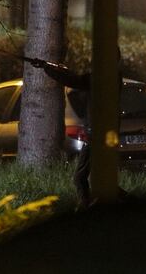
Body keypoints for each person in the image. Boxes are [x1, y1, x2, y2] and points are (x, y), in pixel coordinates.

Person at [28, 58, 93, 207]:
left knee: (79, 178)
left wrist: (47, 68)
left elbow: (74, 80)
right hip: (99, 134)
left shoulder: (99, 79)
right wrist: (53, 68)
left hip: (95, 135)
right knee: (98, 179)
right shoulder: (112, 78)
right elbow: (76, 78)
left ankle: (87, 210)